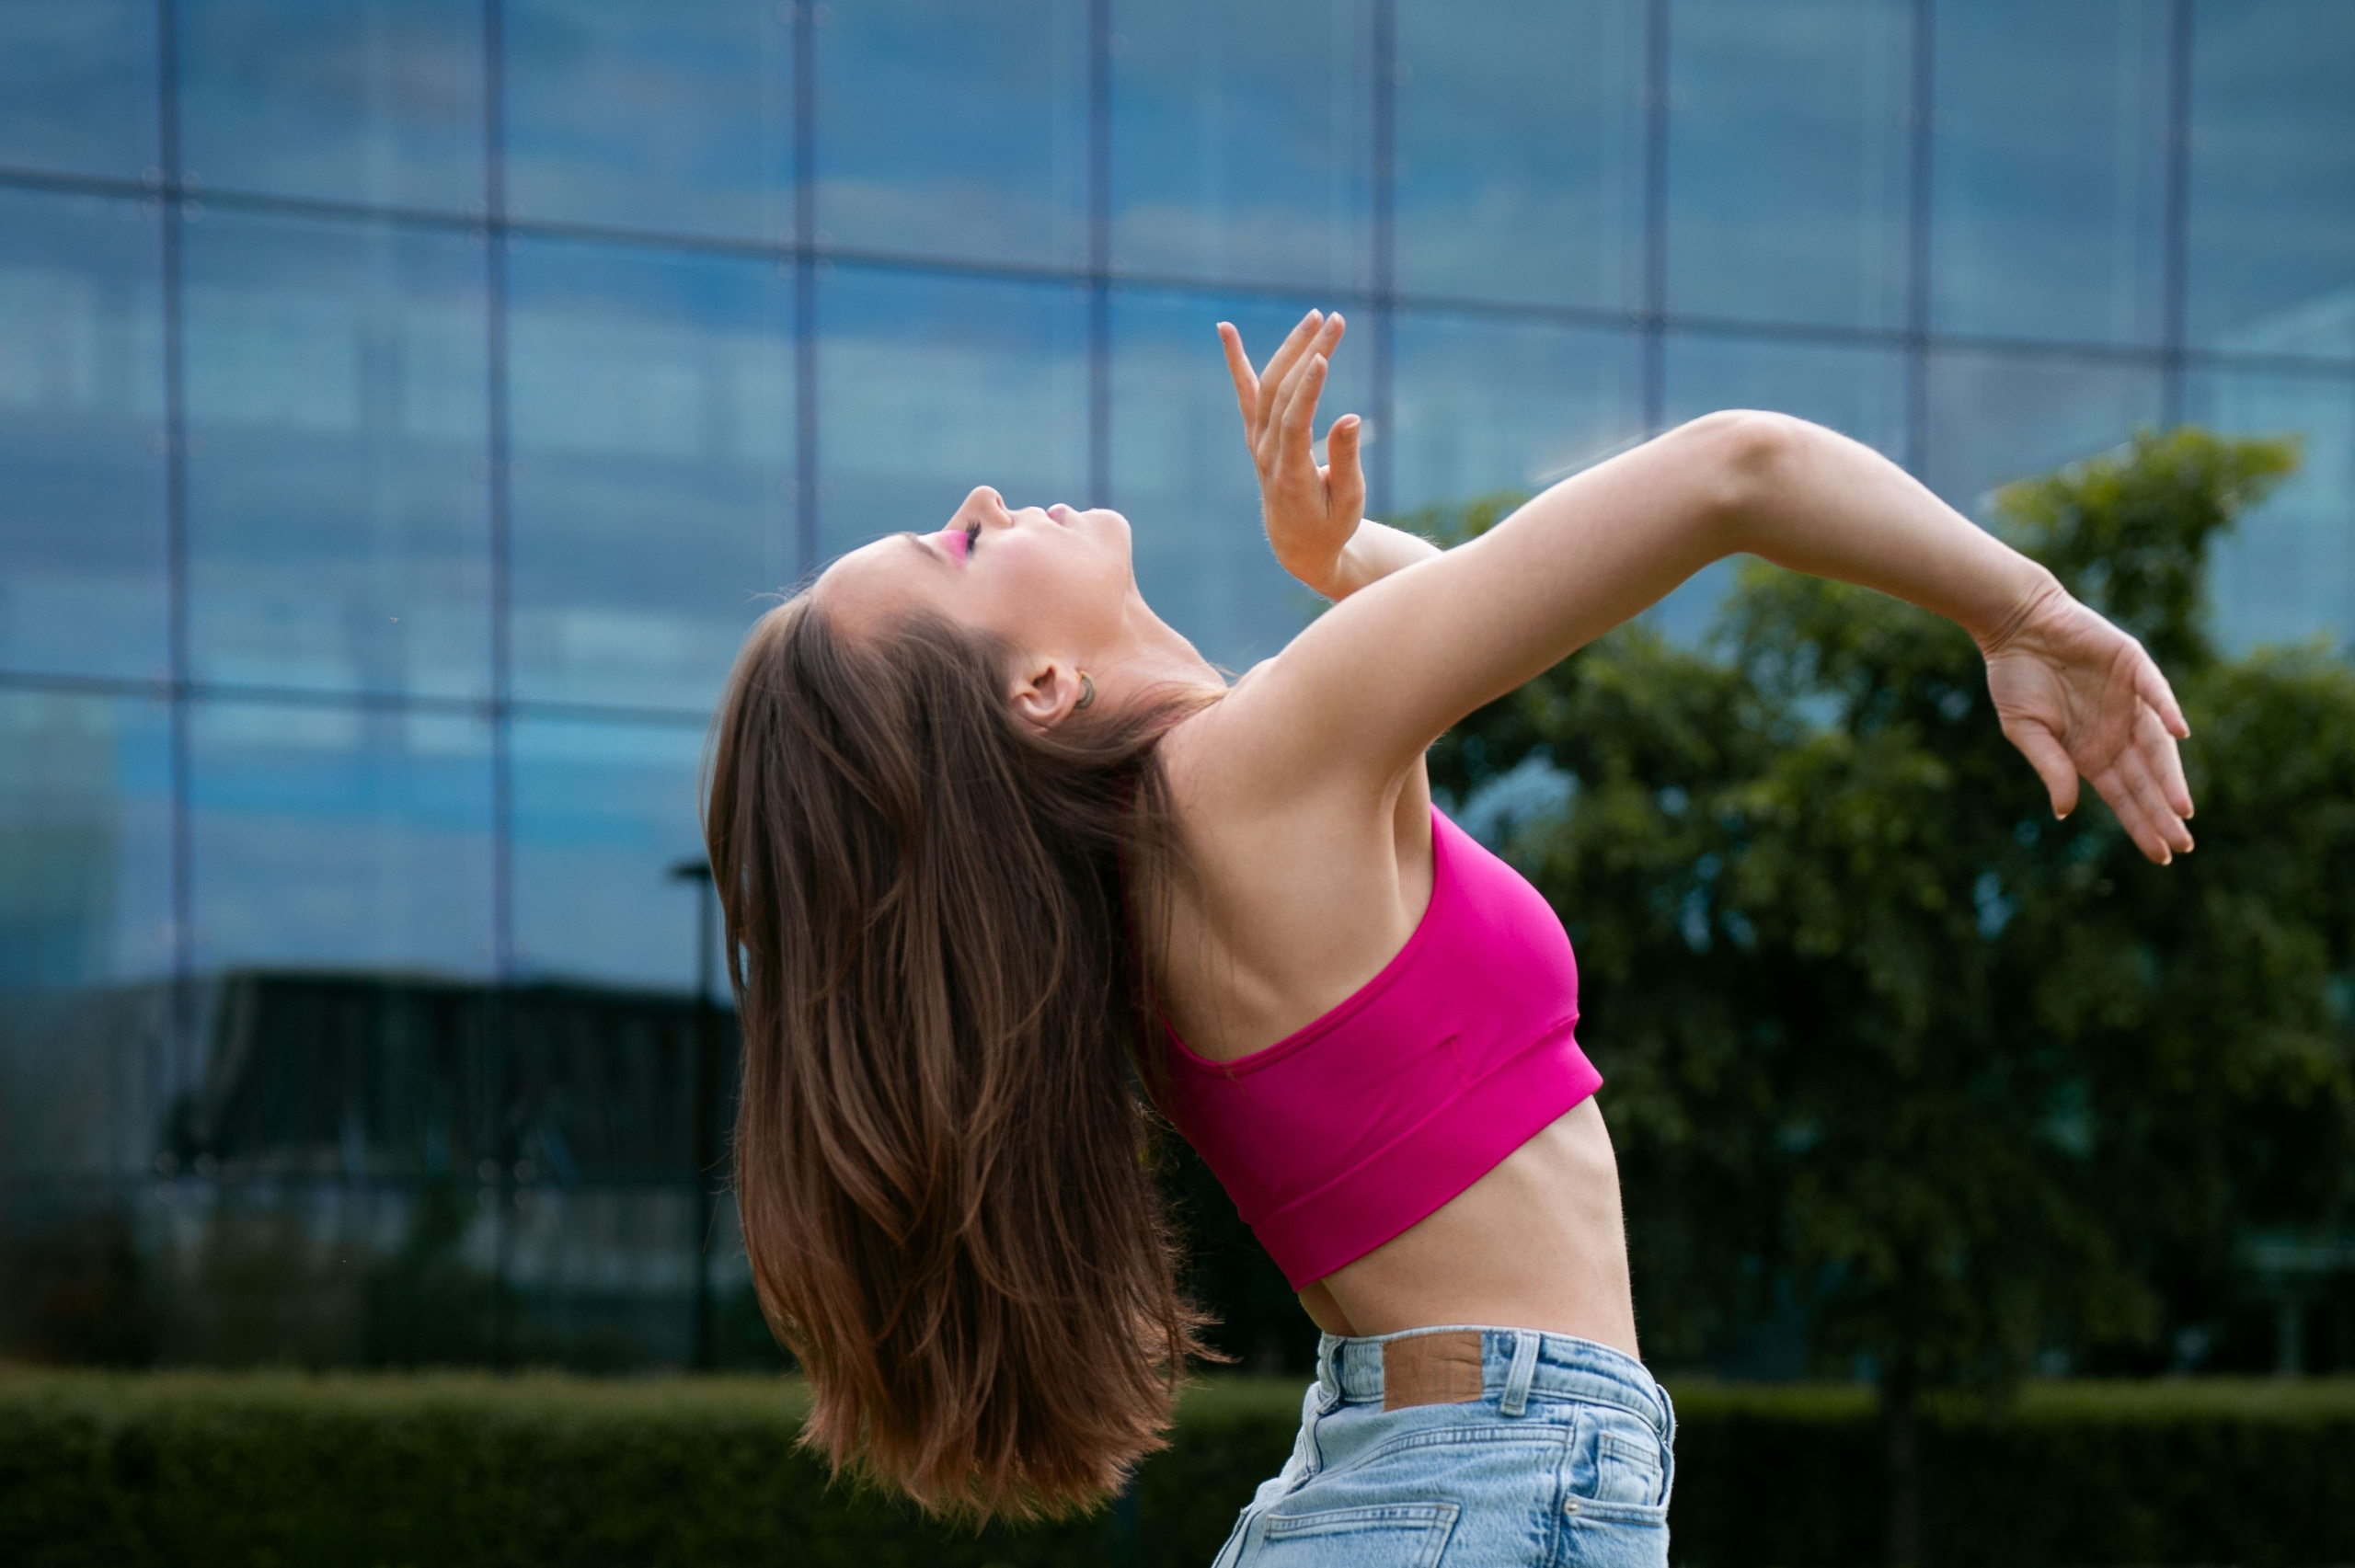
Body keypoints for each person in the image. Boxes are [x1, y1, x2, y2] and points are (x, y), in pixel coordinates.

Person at [703, 309, 2194, 1564]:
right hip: (1492, 1475)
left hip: (1419, 1471)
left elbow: (1444, 637)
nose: (981, 499)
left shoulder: (1170, 860)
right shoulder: (1260, 767)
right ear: (1033, 688)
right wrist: (2030, 609)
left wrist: (1337, 558)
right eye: (953, 550)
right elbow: (1740, 468)